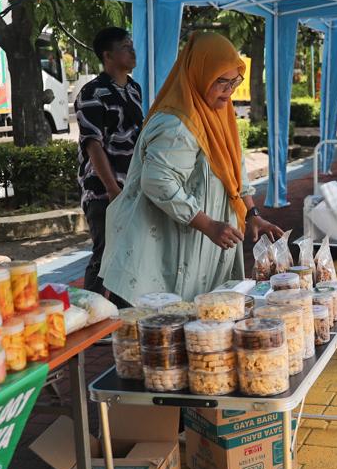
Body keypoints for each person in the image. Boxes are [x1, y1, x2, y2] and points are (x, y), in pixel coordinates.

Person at [99, 32, 283, 302]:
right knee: (159, 331)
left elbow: (233, 166)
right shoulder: (178, 123)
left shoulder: (219, 113)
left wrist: (251, 213)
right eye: (222, 81)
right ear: (200, 74)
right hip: (161, 253)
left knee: (200, 328)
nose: (230, 91)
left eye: (235, 81)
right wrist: (207, 224)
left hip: (201, 248)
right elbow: (158, 181)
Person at [76, 27, 142, 300]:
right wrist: (114, 190)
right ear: (108, 56)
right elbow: (94, 146)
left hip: (132, 187)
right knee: (105, 254)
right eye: (126, 47)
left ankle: (121, 316)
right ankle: (91, 313)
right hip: (105, 191)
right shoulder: (92, 92)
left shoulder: (134, 89)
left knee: (130, 253)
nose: (133, 51)